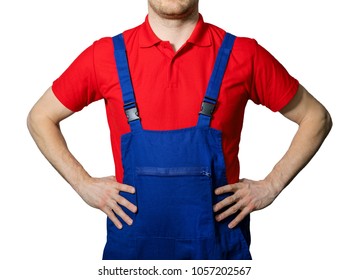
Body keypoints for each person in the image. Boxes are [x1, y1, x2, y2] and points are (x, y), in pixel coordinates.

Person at [27, 0, 332, 260]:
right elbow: (40, 117)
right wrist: (83, 184)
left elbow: (316, 118)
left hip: (218, 255)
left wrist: (272, 185)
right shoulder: (104, 55)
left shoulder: (244, 54)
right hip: (131, 257)